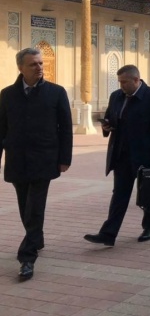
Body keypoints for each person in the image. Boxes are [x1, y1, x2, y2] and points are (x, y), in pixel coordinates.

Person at [0, 47, 72, 281]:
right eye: (33, 64)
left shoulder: (56, 92)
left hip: (44, 159)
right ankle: (36, 238)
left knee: (35, 207)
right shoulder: (7, 94)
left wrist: (64, 159)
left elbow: (65, 128)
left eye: (40, 63)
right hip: (17, 159)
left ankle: (27, 257)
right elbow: (1, 128)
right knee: (24, 206)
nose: (39, 67)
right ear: (21, 67)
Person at [84, 65, 150, 246]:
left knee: (148, 194)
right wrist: (107, 126)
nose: (121, 85)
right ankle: (108, 234)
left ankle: (149, 227)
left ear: (136, 80)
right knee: (119, 194)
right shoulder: (116, 96)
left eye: (124, 82)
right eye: (120, 82)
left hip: (145, 155)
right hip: (121, 154)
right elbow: (111, 118)